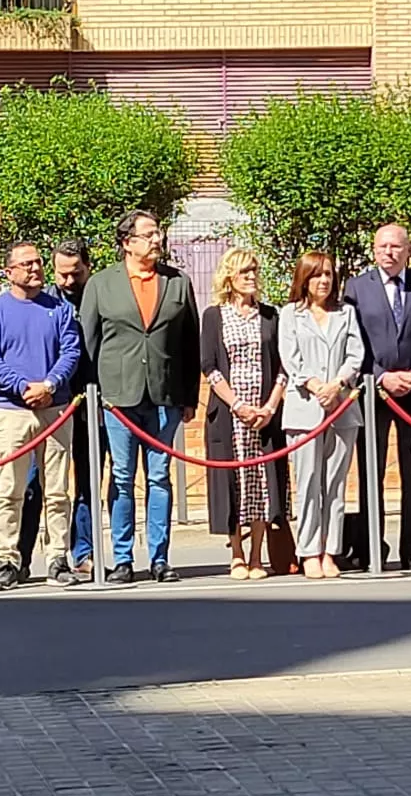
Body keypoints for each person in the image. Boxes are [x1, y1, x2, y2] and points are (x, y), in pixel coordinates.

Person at [79, 210, 200, 584]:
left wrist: (190, 396)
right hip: (118, 398)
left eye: (158, 233)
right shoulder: (101, 284)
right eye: (149, 234)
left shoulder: (178, 283)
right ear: (127, 242)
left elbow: (190, 342)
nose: (157, 240)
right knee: (121, 476)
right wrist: (92, 399)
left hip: (165, 395)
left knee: (160, 477)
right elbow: (88, 343)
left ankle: (160, 558)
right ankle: (123, 559)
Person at [343, 223, 411, 572]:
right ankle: (373, 547)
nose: (389, 252)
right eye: (383, 246)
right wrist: (382, 376)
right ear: (374, 250)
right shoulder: (357, 288)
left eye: (396, 247)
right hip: (373, 393)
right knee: (371, 471)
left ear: (408, 250)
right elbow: (352, 342)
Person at [0, 242, 81, 590]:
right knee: (10, 490)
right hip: (13, 412)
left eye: (37, 262)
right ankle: (8, 559)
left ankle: (57, 558)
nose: (34, 269)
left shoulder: (60, 309)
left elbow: (71, 351)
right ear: (9, 271)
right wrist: (24, 387)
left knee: (57, 491)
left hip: (55, 409)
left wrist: (50, 384)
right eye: (25, 264)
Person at [201, 246, 288, 580]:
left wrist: (270, 406)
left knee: (261, 484)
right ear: (230, 278)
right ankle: (236, 551)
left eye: (254, 271)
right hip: (230, 413)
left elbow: (284, 365)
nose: (251, 277)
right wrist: (236, 404)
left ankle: (257, 556)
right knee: (232, 482)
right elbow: (209, 366)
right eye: (243, 272)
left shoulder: (270, 315)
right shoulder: (214, 315)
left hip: (264, 414)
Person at [278, 251, 364, 580]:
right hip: (304, 409)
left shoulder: (346, 313)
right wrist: (316, 387)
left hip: (342, 406)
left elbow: (356, 354)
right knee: (309, 482)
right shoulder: (291, 315)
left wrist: (337, 384)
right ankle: (309, 551)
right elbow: (290, 357)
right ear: (304, 279)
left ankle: (330, 550)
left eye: (328, 274)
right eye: (317, 275)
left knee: (335, 484)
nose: (324, 280)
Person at [17, 241, 98, 576]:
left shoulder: (99, 298)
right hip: (50, 403)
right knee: (34, 482)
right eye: (61, 274)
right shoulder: (46, 301)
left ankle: (83, 552)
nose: (67, 281)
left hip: (93, 401)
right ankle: (22, 555)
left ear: (88, 268)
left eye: (74, 273)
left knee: (86, 479)